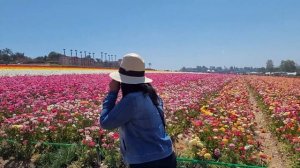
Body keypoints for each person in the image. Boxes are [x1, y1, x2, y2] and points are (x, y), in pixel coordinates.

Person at [100, 53, 176, 168]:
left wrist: (112, 93)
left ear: (123, 81)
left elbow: (105, 123)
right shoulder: (151, 95)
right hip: (167, 156)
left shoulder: (132, 99)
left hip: (147, 162)